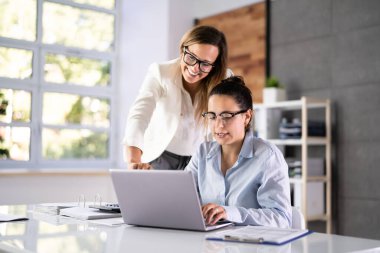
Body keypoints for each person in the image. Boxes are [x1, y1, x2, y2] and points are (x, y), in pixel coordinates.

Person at [185, 76, 292, 228]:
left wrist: (229, 213)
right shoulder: (202, 153)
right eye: (212, 116)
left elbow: (281, 219)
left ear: (247, 117)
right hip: (209, 244)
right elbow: (182, 200)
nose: (218, 125)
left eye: (227, 116)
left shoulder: (267, 156)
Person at [123, 25, 231, 170]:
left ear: (215, 66)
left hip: (201, 159)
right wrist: (133, 159)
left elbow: (231, 121)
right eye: (191, 57)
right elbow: (140, 114)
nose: (194, 68)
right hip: (162, 156)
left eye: (205, 64)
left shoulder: (224, 79)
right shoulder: (161, 73)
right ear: (182, 50)